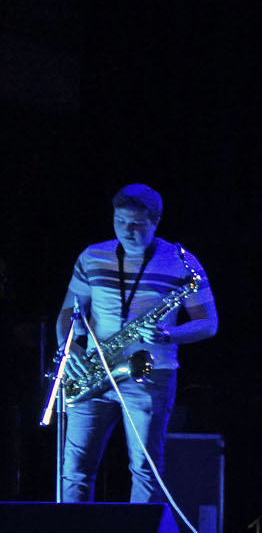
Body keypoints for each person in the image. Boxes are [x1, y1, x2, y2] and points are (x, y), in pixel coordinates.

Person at [56, 184, 218, 504]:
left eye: (137, 224)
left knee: (145, 469)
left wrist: (169, 334)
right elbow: (67, 313)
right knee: (74, 470)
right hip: (93, 370)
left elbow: (209, 324)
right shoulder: (92, 256)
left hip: (151, 373)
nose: (126, 231)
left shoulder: (181, 261)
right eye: (119, 221)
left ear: (156, 221)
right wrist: (70, 348)